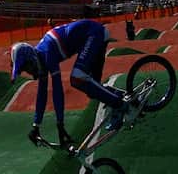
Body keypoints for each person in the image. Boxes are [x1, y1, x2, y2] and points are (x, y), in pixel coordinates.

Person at [11, 19, 141, 147]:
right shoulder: (41, 59)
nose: (28, 71)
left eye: (26, 67)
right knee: (91, 88)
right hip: (91, 37)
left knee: (77, 78)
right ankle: (125, 98)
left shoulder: (47, 53)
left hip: (93, 33)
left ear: (31, 58)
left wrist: (60, 124)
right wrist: (36, 125)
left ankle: (119, 105)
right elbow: (42, 94)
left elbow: (57, 91)